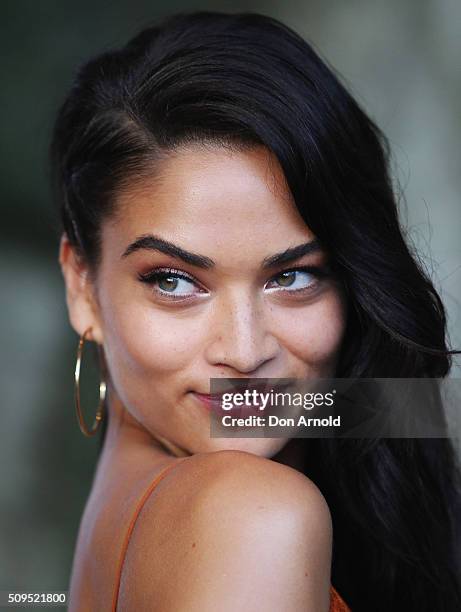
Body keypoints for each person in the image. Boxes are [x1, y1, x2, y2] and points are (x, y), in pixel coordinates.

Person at [51, 10, 461, 611]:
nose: (244, 353)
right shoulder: (249, 516)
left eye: (293, 277)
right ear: (82, 287)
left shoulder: (127, 508)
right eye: (174, 282)